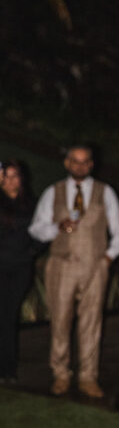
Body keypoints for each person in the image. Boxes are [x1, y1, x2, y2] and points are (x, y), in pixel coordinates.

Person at [28, 144, 119, 398]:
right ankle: (61, 374)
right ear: (67, 163)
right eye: (75, 161)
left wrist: (108, 258)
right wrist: (57, 227)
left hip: (95, 266)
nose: (80, 166)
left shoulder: (105, 192)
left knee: (91, 323)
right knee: (60, 321)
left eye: (85, 162)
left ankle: (88, 377)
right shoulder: (54, 192)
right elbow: (36, 229)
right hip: (61, 265)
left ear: (91, 164)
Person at [0, 160, 36, 384]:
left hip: (19, 268)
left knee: (8, 317)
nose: (11, 180)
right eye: (7, 176)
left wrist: (32, 250)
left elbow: (43, 230)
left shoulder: (31, 203)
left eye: (16, 176)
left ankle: (8, 368)